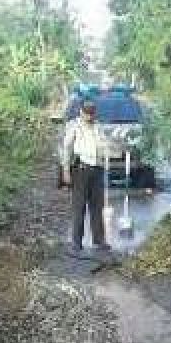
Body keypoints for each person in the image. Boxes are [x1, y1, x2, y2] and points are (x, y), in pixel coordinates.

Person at [62, 100, 110, 255]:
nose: (89, 115)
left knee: (97, 207)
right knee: (79, 206)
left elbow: (104, 146)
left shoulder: (98, 126)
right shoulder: (74, 126)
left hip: (97, 169)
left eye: (92, 112)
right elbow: (66, 148)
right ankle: (76, 242)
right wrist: (65, 170)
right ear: (81, 111)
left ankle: (99, 240)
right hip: (81, 168)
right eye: (87, 112)